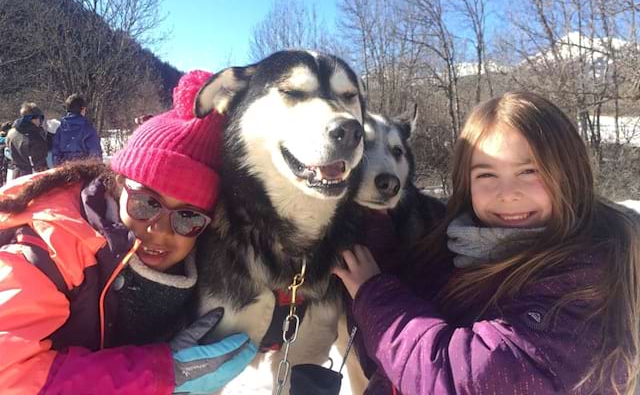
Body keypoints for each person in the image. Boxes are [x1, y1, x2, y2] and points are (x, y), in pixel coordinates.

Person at [333, 91, 640, 395]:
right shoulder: (458, 248)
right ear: (466, 183)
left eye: (529, 171)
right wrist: (370, 230)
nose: (507, 193)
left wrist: (374, 295)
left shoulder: (584, 280)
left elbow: (463, 380)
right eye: (486, 175)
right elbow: (389, 358)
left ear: (571, 173)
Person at [0, 70, 257, 394]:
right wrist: (158, 374)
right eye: (147, 203)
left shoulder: (204, 256)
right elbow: (6, 374)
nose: (159, 230)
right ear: (119, 186)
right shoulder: (52, 244)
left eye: (188, 216)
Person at [52, 93, 102, 165]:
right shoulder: (88, 129)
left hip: (64, 169)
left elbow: (56, 152)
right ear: (82, 109)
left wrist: (57, 167)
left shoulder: (61, 129)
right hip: (83, 169)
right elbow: (95, 152)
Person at [6, 102, 48, 178]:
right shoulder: (34, 136)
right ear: (33, 119)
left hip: (17, 175)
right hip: (31, 178)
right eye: (40, 118)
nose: (40, 121)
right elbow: (39, 164)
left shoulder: (11, 132)